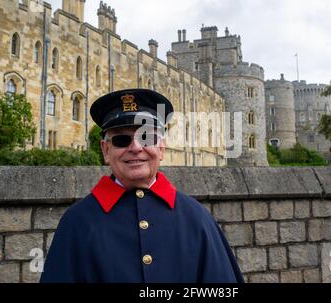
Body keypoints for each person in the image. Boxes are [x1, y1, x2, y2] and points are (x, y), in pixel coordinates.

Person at [40, 88, 243, 283]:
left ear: (161, 148)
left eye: (147, 137)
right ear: (105, 150)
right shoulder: (77, 223)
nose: (136, 148)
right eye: (121, 139)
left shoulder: (196, 218)